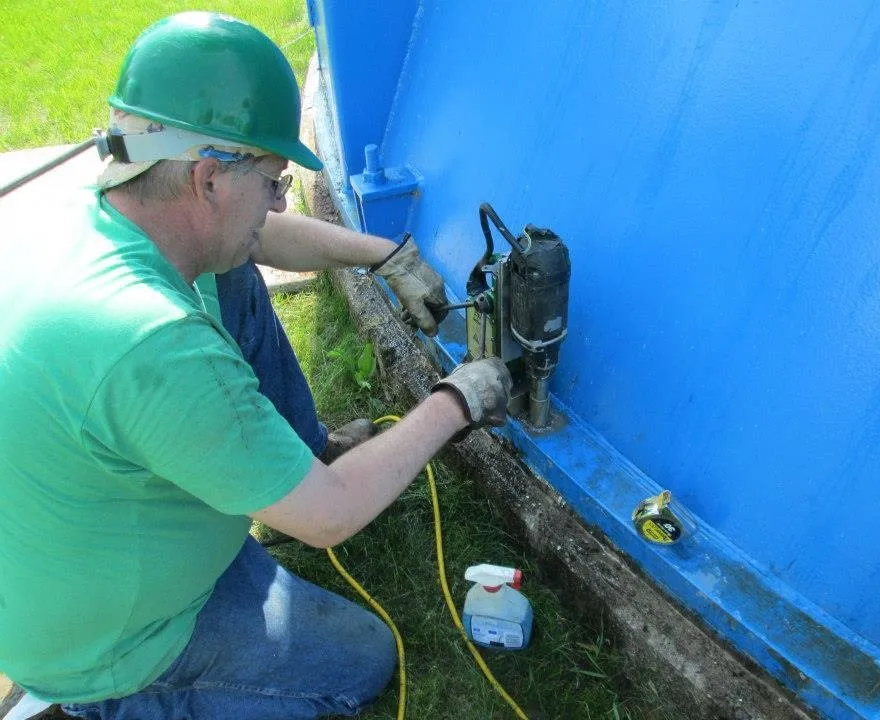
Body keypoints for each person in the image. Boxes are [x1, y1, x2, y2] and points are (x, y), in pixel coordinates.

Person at [0, 11, 511, 720]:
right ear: (208, 177)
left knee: (235, 267)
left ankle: (299, 461)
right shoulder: (157, 345)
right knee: (359, 662)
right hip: (111, 643)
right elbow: (329, 519)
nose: (277, 200)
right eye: (272, 180)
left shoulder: (100, 215)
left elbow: (260, 238)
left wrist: (385, 255)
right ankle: (98, 705)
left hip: (80, 553)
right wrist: (459, 398)